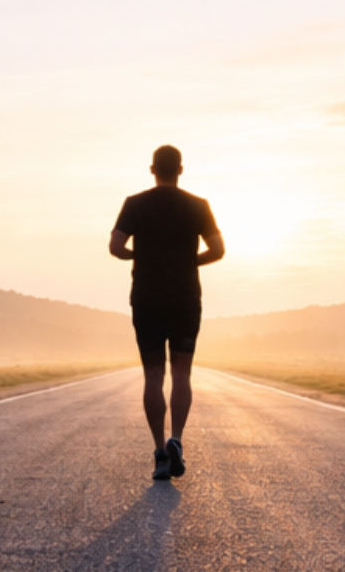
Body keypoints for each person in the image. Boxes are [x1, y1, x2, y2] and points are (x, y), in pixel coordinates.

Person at [108, 144, 224, 480]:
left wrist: (139, 256)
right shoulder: (198, 206)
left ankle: (159, 451)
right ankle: (177, 439)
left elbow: (115, 246)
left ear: (152, 169)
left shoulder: (134, 204)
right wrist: (190, 261)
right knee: (183, 373)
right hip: (185, 296)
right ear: (181, 170)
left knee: (153, 375)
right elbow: (218, 249)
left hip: (147, 296)